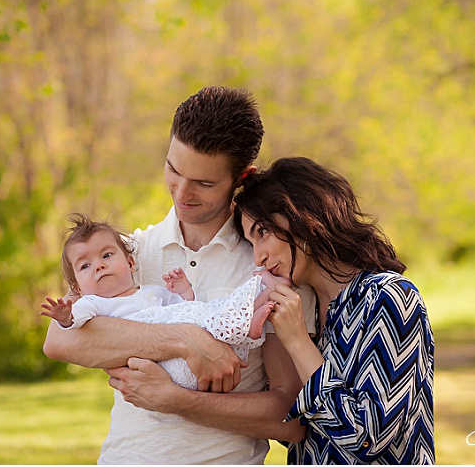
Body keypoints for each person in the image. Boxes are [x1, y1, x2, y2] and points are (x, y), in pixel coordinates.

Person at [42, 86, 312, 464]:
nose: (182, 193)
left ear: (241, 177)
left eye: (204, 183)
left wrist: (178, 401)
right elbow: (60, 341)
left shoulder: (267, 264)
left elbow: (288, 413)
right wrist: (186, 340)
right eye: (173, 169)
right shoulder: (131, 252)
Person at [123, 156, 435, 463]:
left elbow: (368, 437)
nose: (257, 258)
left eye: (262, 233)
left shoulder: (389, 297)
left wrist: (297, 341)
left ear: (305, 214)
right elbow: (292, 426)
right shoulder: (306, 309)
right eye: (250, 241)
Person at [40, 213, 275, 390]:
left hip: (198, 347)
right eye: (85, 265)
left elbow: (186, 306)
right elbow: (74, 322)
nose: (99, 265)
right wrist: (64, 317)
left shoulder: (151, 291)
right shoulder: (94, 303)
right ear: (78, 288)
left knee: (212, 310)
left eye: (107, 255)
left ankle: (253, 313)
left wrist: (184, 289)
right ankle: (249, 320)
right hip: (167, 366)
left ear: (131, 263)